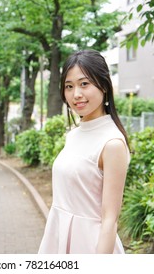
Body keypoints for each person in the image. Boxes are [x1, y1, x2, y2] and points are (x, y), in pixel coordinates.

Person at [38, 49, 130, 254]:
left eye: (84, 84)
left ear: (104, 86)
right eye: (69, 86)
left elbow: (110, 220)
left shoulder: (112, 143)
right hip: (59, 238)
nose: (76, 94)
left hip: (92, 247)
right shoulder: (73, 135)